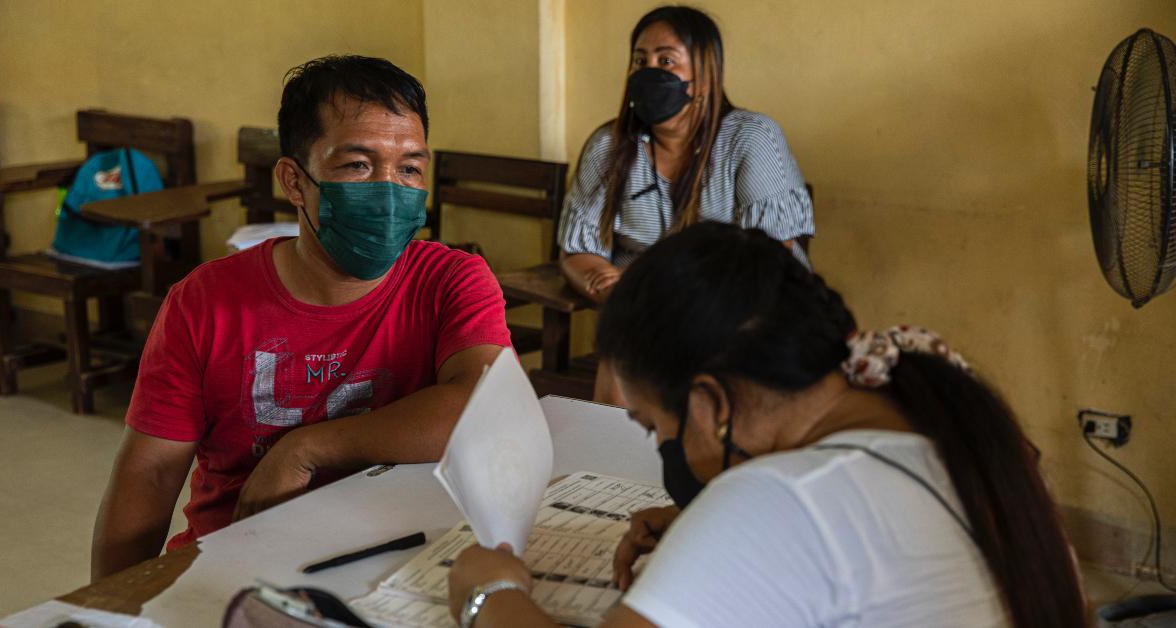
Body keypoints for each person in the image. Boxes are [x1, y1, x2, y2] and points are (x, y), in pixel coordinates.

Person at [447, 223, 1086, 627]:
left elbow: (798, 520)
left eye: (651, 427)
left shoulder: (782, 498)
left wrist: (490, 596)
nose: (660, 450)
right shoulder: (927, 406)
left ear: (712, 406)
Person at [91, 56, 511, 580]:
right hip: (239, 562)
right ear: (294, 181)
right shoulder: (203, 302)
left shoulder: (451, 280)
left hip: (402, 560)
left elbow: (486, 412)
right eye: (357, 165)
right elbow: (150, 474)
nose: (387, 190)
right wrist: (107, 607)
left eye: (408, 169)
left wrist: (305, 449)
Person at [557, 5, 814, 403]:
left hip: (742, 303)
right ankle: (614, 460)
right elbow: (578, 250)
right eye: (640, 60)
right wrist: (612, 287)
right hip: (642, 306)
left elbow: (768, 259)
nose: (649, 71)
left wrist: (679, 303)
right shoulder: (609, 145)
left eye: (666, 60)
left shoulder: (751, 138)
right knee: (625, 331)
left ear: (705, 75)